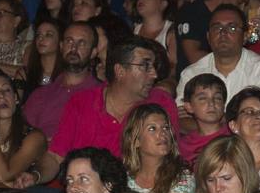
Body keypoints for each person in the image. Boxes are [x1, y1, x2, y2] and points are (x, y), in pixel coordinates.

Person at [44, 38, 179, 174]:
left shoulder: (160, 102)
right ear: (120, 71)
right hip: (80, 186)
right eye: (145, 66)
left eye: (154, 67)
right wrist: (35, 175)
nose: (154, 74)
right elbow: (56, 157)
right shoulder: (82, 102)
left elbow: (169, 158)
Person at [176, 4, 260, 107]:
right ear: (208, 37)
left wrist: (206, 117)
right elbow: (183, 119)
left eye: (232, 28)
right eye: (217, 28)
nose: (223, 33)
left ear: (245, 36)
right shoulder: (191, 74)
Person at [122, 103, 195, 193]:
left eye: (166, 128)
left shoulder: (183, 177)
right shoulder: (123, 178)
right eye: (152, 128)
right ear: (136, 140)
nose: (162, 134)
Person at [23, 22, 101, 142]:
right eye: (69, 41)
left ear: (93, 52)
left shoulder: (102, 95)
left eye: (82, 43)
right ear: (61, 46)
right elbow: (22, 135)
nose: (74, 49)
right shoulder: (41, 94)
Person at [176, 73, 230, 165]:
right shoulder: (183, 145)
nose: (211, 103)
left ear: (223, 105)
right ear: (189, 106)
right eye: (202, 98)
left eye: (217, 98)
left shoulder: (234, 137)